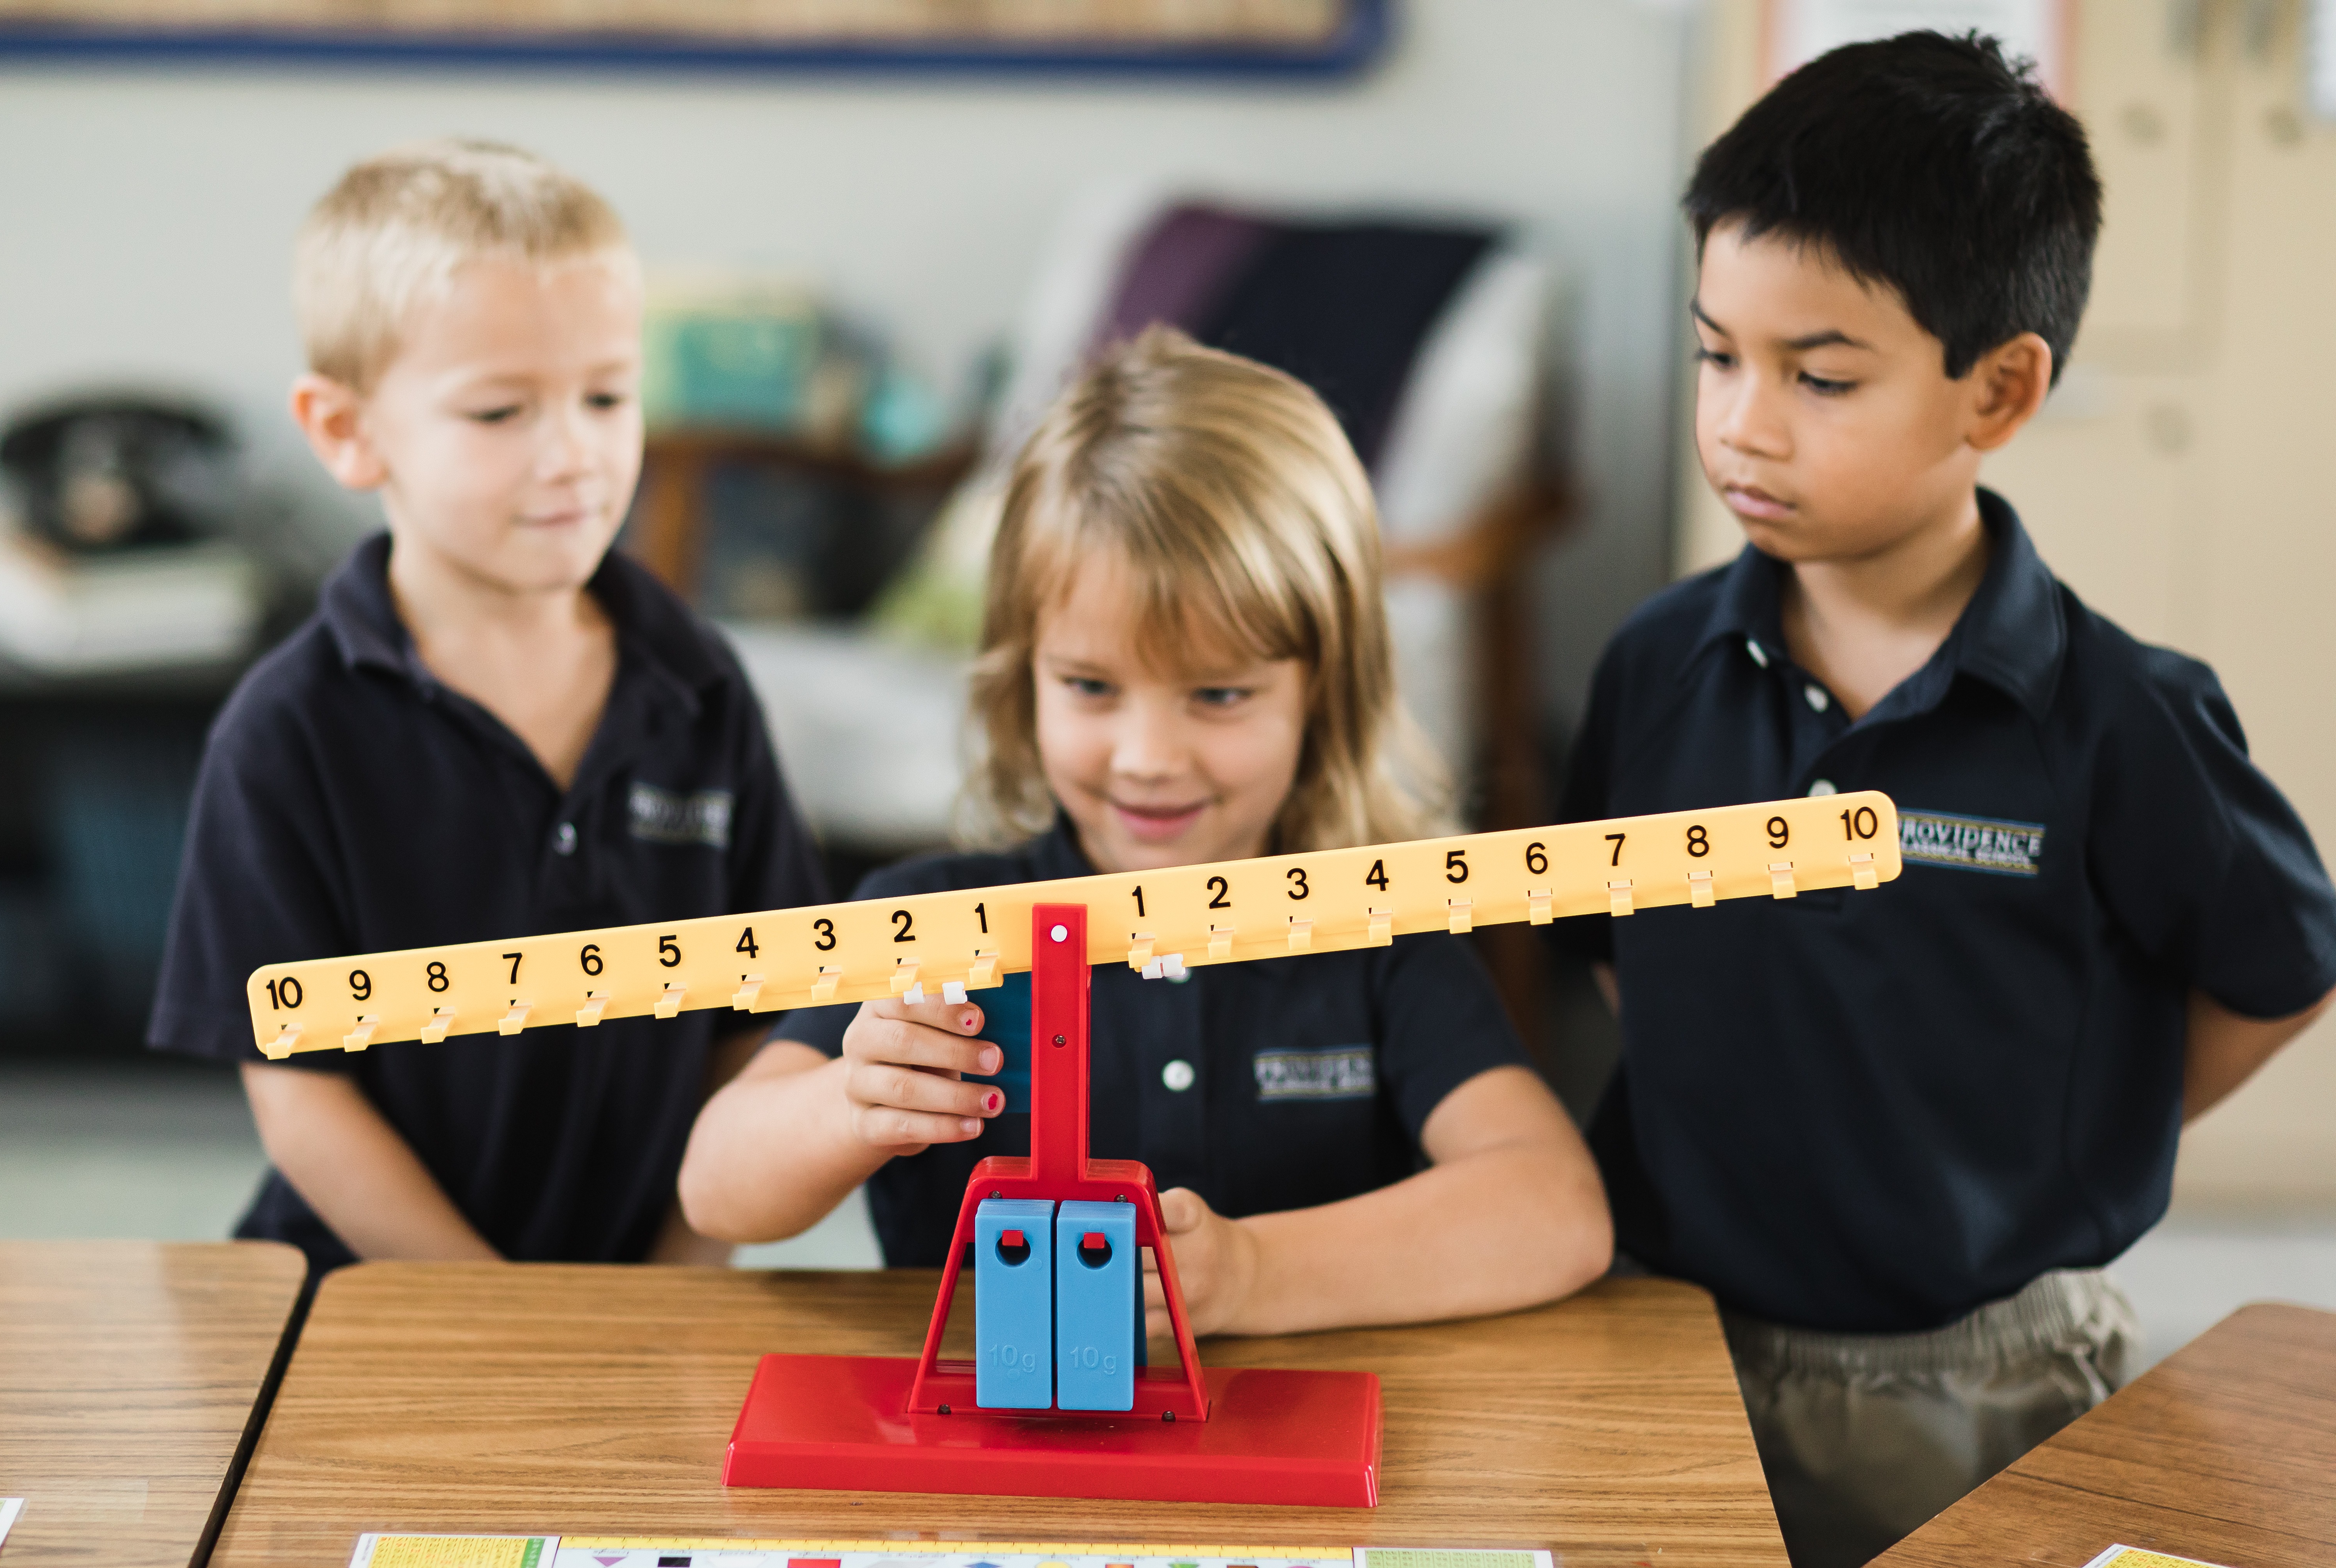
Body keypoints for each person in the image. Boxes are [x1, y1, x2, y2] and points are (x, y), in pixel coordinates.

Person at [1554, 32, 2336, 1567]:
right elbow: (1604, 943)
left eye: (1819, 376)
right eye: (1720, 354)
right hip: (1659, 1328)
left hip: (1976, 1376)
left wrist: (2072, 1132)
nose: (1742, 423)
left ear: (1999, 390)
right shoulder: (1656, 662)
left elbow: (2280, 973)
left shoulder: (2123, 716)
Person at [679, 328, 1610, 1336]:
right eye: (1089, 686)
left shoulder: (1375, 936)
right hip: (984, 1472)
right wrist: (846, 1105)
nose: (1147, 755)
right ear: (1019, 675)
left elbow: (1556, 1210)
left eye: (1216, 693)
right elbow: (717, 1186)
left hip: (1303, 1477)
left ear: (1322, 693)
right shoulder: (932, 923)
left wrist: (1255, 1273)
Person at [147, 140, 825, 1275]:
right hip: (365, 1306)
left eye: (607, 396)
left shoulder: (699, 686)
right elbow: (301, 1095)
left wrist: (677, 1277)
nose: (575, 456)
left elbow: (758, 1024)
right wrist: (496, 1316)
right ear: (346, 431)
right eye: (502, 411)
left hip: (640, 1300)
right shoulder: (288, 730)